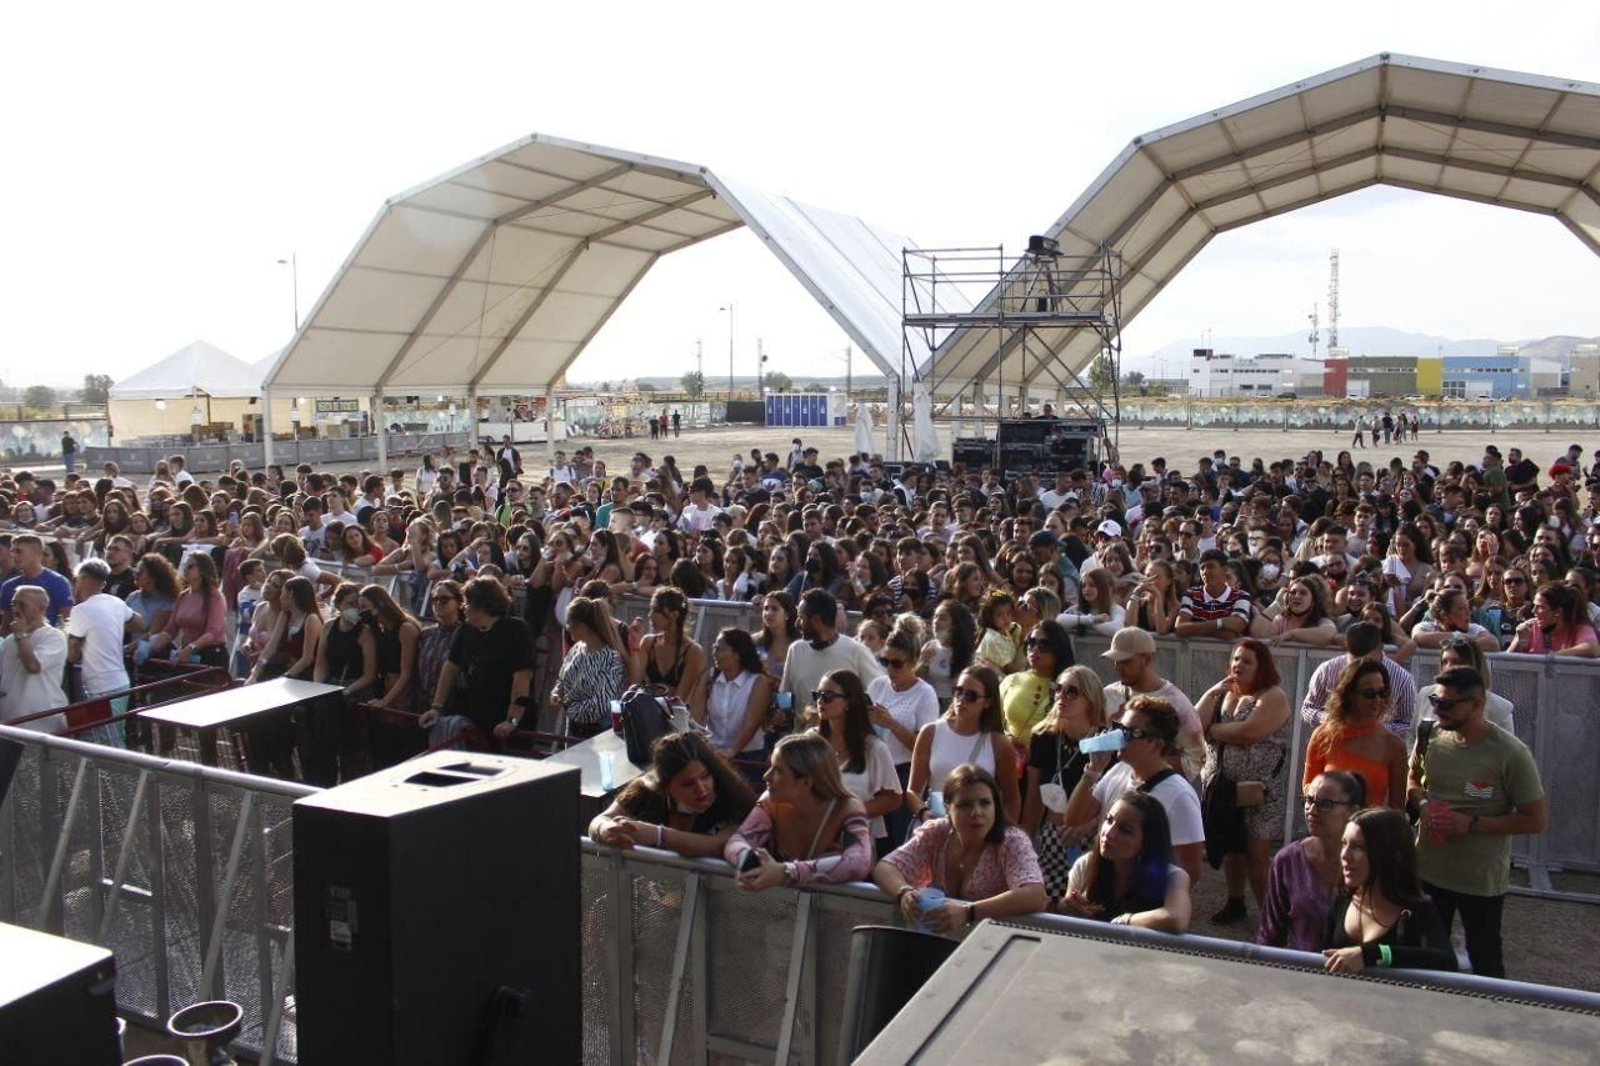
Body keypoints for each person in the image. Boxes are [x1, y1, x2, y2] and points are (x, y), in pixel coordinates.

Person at [1409, 666, 1546, 979]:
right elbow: (1413, 779)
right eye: (1434, 701)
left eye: (1446, 704)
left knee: (1486, 964)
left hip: (1480, 882)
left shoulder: (1511, 753)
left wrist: (1470, 824)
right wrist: (1424, 806)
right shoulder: (1429, 735)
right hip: (1429, 872)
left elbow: (1535, 820)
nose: (1437, 709)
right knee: (1424, 960)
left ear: (1476, 704)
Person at [873, 763, 1046, 935]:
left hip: (991, 943)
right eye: (965, 805)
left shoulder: (1012, 840)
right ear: (948, 808)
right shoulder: (936, 832)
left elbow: (1035, 894)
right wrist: (903, 893)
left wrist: (968, 913)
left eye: (985, 803)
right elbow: (885, 867)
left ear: (996, 805)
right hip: (938, 941)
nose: (976, 812)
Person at [1196, 638, 1292, 924]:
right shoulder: (1224, 693)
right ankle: (1235, 903)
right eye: (1236, 659)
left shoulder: (1273, 696)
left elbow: (1248, 732)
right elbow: (1194, 725)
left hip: (1261, 793)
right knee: (1231, 850)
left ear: (1262, 667)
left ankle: (1271, 918)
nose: (1238, 664)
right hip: (1224, 788)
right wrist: (1211, 693)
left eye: (1247, 661)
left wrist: (1213, 730)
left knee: (1256, 855)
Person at [1062, 695, 1204, 884]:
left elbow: (1190, 872)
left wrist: (1150, 898)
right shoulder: (1118, 771)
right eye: (1118, 728)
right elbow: (1074, 819)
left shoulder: (1180, 795)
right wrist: (1093, 771)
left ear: (1156, 744)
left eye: (1129, 733)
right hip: (1106, 887)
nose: (1119, 738)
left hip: (1142, 897)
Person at [725, 733, 874, 890]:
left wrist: (787, 872)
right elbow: (738, 839)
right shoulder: (770, 801)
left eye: (778, 770)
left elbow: (859, 862)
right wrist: (748, 859)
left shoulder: (847, 808)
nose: (766, 776)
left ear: (806, 782)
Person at [1321, 808, 1457, 974]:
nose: (1345, 855)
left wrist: (1371, 955)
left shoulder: (1417, 911)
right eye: (1344, 844)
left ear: (1391, 856)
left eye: (1358, 847)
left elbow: (1445, 961)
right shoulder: (1342, 900)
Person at [590, 731, 757, 856]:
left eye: (705, 776)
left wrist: (656, 835)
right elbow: (599, 820)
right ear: (665, 786)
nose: (701, 789)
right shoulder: (645, 791)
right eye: (687, 784)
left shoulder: (733, 799)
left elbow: (717, 845)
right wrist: (606, 830)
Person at [1022, 664, 1108, 905]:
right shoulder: (1043, 737)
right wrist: (1026, 842)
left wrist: (1089, 825)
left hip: (1092, 840)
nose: (1061, 696)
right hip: (1050, 838)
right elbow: (1033, 798)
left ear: (1090, 700)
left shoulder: (1104, 742)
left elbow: (1114, 800)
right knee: (1045, 907)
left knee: (1082, 906)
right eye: (1057, 689)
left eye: (1071, 691)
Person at [1256, 771, 1366, 952]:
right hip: (1302, 967)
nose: (1312, 810)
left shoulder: (1371, 862)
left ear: (1353, 811)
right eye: (1308, 800)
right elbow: (1269, 935)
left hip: (1358, 967)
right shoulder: (1288, 861)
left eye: (1325, 804)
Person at [421, 577, 535, 749]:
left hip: (506, 721)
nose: (463, 608)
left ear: (483, 605)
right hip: (474, 717)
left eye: (467, 604)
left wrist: (511, 721)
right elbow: (450, 668)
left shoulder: (516, 630)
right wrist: (437, 707)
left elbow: (522, 678)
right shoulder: (466, 630)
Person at [1060, 790, 1191, 931]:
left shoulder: (1173, 876)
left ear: (1147, 843)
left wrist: (1125, 921)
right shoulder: (1085, 865)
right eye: (1109, 820)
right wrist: (1068, 906)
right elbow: (1067, 909)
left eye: (1125, 830)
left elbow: (1176, 918)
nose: (1109, 833)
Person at [906, 666, 1020, 824]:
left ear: (988, 702)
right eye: (958, 691)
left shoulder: (999, 743)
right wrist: (924, 814)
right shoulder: (930, 732)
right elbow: (913, 791)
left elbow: (1012, 799)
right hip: (937, 823)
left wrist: (1003, 834)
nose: (961, 699)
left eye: (971, 696)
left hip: (979, 827)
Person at [865, 617, 941, 846]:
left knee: (900, 842)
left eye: (897, 663)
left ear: (914, 661)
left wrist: (892, 724)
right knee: (872, 841)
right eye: (884, 661)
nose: (889, 669)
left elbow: (925, 748)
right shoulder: (877, 685)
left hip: (904, 773)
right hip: (873, 771)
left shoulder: (925, 693)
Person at [807, 669, 902, 851]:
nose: (820, 701)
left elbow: (893, 798)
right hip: (811, 838)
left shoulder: (874, 748)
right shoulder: (809, 742)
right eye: (817, 695)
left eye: (828, 696)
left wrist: (847, 814)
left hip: (855, 844)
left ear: (848, 702)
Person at [1099, 627, 1204, 780]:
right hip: (1110, 788)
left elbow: (1195, 760)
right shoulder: (1109, 695)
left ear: (1147, 659)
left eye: (1125, 661)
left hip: (1155, 790)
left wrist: (1143, 761)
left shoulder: (1178, 705)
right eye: (1115, 661)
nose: (1118, 668)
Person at [1304, 659, 1408, 810]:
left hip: (1369, 824)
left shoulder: (1394, 745)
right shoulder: (1323, 735)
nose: (1378, 700)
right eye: (1369, 694)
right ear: (1349, 695)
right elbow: (1308, 787)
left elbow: (1397, 807)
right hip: (1326, 822)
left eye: (1382, 693)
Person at [66, 560, 140, 747]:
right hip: (120, 682)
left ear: (82, 579)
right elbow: (140, 623)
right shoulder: (116, 603)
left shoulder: (80, 610)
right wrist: (111, 627)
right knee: (112, 739)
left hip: (101, 687)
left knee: (111, 745)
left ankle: (126, 768)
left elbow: (72, 654)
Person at [1300, 621, 1416, 738]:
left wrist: (1378, 728)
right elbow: (1307, 708)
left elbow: (1409, 724)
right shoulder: (1327, 670)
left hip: (1378, 745)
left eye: (1366, 660)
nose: (1360, 666)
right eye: (1355, 659)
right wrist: (1328, 718)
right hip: (1334, 740)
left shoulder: (1403, 679)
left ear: (1380, 649)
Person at [776, 589, 882, 714]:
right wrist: (783, 712)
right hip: (803, 727)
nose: (797, 624)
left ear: (816, 620)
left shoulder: (857, 651)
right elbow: (785, 692)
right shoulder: (795, 650)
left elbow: (880, 694)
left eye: (801, 618)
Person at [551, 596, 627, 739]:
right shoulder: (576, 649)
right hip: (573, 728)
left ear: (582, 626)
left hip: (599, 733)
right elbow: (562, 678)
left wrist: (569, 706)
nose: (567, 627)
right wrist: (557, 693)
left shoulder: (611, 659)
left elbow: (601, 703)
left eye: (570, 623)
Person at [0, 586, 69, 733]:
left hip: (40, 724)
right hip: (9, 723)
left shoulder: (53, 636)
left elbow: (33, 666)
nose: (15, 609)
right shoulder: (9, 640)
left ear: (42, 608)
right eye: (13, 604)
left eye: (22, 604)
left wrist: (20, 635)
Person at [627, 586, 708, 708]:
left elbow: (679, 699)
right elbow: (634, 684)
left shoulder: (693, 651)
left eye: (656, 611)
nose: (650, 615)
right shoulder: (648, 642)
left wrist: (653, 689)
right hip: (648, 710)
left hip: (676, 714)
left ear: (674, 615)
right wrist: (634, 646)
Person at [998, 620, 1075, 745]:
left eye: (1044, 645)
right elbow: (993, 723)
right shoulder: (1011, 680)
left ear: (1058, 649)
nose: (1034, 649)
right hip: (1009, 753)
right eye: (1031, 642)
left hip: (1050, 756)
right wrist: (1007, 738)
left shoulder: (1071, 688)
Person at [702, 628, 772, 760]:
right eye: (714, 648)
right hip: (713, 752)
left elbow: (751, 724)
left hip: (749, 755)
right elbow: (696, 716)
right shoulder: (709, 677)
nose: (714, 653)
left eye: (720, 649)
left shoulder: (757, 681)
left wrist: (731, 751)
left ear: (737, 654)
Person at [147, 553, 227, 666]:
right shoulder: (183, 596)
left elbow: (212, 632)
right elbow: (171, 629)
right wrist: (150, 647)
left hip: (210, 655)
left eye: (190, 566)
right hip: (186, 654)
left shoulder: (214, 596)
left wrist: (191, 648)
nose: (185, 569)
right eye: (184, 566)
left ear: (202, 568)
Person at [0, 534, 74, 631]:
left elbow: (66, 621)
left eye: (19, 551)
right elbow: (6, 626)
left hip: (48, 638)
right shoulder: (8, 585)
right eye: (12, 551)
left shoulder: (58, 582)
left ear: (37, 553)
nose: (13, 555)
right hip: (16, 638)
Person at [1508, 582, 1600, 658]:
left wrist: (1550, 658)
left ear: (1557, 612)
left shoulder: (1579, 628)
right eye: (1534, 606)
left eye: (1540, 607)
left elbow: (1592, 649)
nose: (1533, 611)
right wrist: (1519, 643)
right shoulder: (1530, 628)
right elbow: (1505, 663)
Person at [1174, 549, 1250, 640]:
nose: (1205, 572)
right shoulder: (1190, 594)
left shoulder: (1241, 596)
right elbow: (1180, 629)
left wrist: (1194, 628)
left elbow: (1237, 626)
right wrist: (1220, 624)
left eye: (1211, 566)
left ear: (1225, 569)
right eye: (1202, 568)